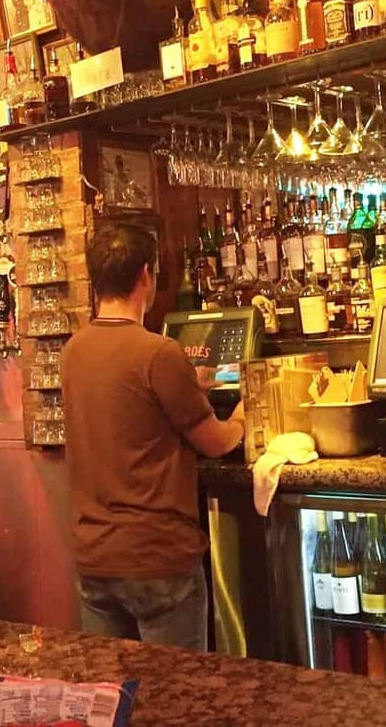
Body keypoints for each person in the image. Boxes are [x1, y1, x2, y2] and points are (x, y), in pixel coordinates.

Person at [61, 223, 244, 651]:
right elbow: (216, 442)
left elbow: (125, 410)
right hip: (157, 560)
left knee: (114, 699)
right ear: (146, 274)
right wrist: (243, 415)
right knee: (177, 701)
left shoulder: (73, 351)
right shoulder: (159, 353)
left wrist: (188, 385)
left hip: (96, 559)